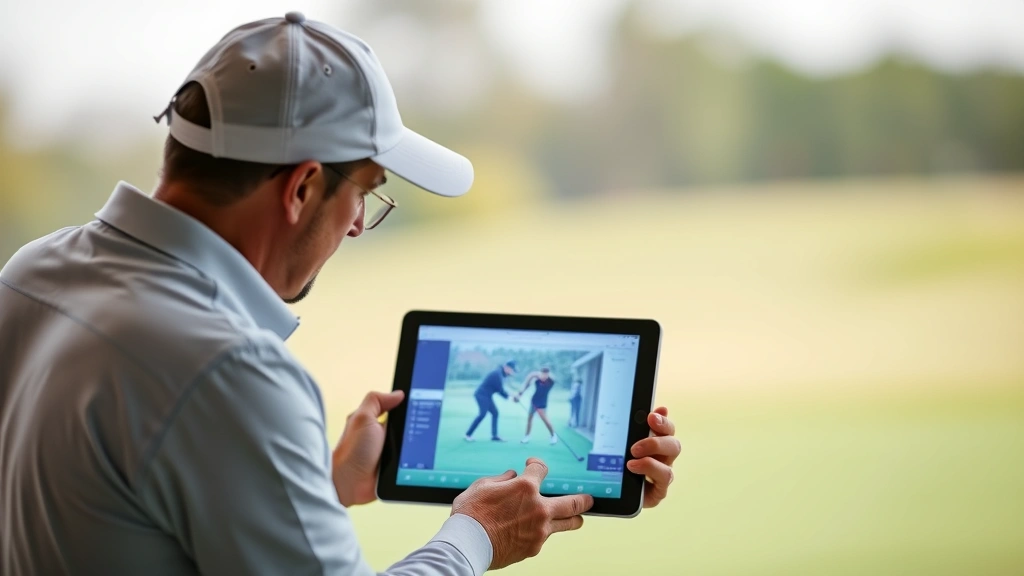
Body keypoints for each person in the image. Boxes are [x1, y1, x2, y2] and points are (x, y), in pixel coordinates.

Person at [0, 13, 682, 576]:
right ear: (300, 190)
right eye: (364, 192)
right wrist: (477, 534)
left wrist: (317, 486)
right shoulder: (227, 372)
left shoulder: (31, 275)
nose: (359, 223)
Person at [464, 360, 517, 442]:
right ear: (506, 367)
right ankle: (468, 434)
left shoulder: (501, 374)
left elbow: (501, 389)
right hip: (481, 395)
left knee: (495, 413)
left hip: (487, 396)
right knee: (482, 414)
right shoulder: (497, 375)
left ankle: (494, 436)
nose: (512, 372)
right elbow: (500, 390)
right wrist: (511, 397)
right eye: (512, 370)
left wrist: (511, 395)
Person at [513, 367, 558, 445]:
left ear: (548, 375)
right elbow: (527, 383)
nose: (544, 377)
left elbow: (553, 378)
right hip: (534, 401)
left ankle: (553, 435)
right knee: (529, 418)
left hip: (542, 402)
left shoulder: (550, 382)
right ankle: (527, 436)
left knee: (544, 419)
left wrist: (541, 374)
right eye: (542, 374)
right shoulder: (537, 380)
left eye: (546, 375)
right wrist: (519, 394)